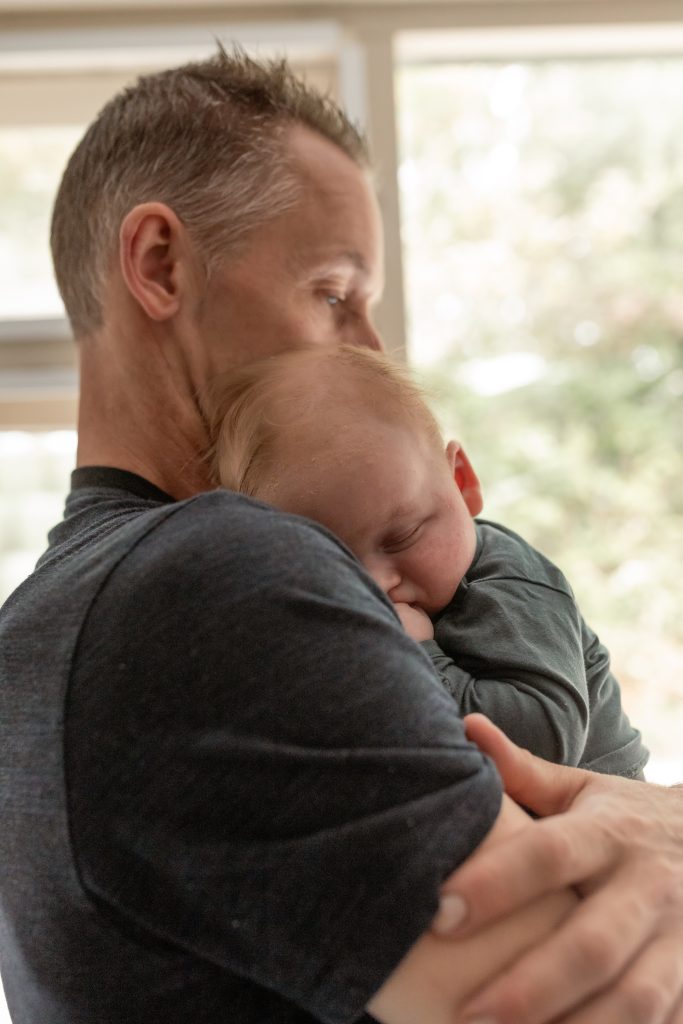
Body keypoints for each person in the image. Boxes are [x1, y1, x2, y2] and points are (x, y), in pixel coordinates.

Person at [0, 46, 681, 1024]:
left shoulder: (43, 622)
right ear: (159, 265)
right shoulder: (214, 574)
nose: (368, 346)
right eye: (333, 294)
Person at [208, 344, 648, 779]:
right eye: (335, 563)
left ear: (462, 482)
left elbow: (547, 742)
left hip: (605, 816)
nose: (376, 584)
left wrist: (420, 657)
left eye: (402, 536)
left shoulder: (509, 583)